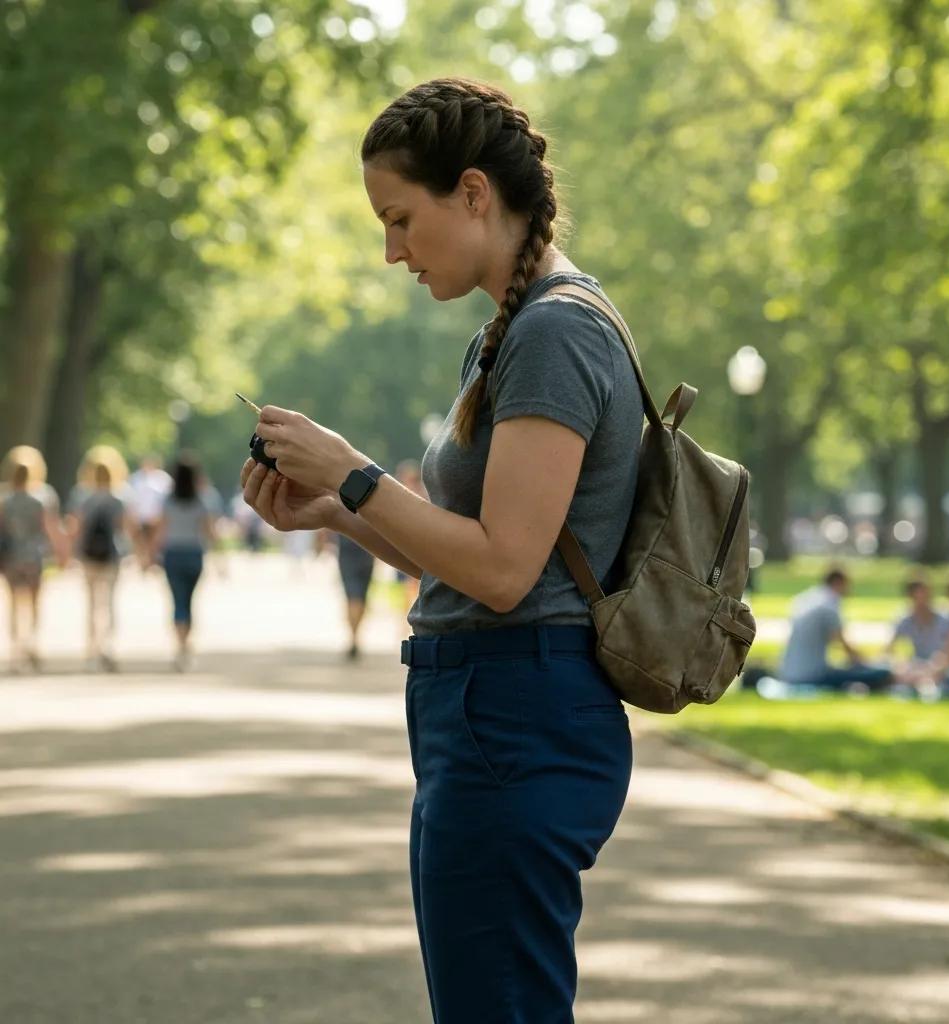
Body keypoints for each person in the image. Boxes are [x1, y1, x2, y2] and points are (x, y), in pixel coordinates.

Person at [239, 78, 641, 1021]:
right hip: (491, 707)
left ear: (472, 193)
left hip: (517, 710)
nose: (392, 252)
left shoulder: (555, 331)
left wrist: (353, 471)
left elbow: (502, 571)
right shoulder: (509, 331)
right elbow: (474, 560)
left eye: (399, 220)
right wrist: (337, 511)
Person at [66, 445, 132, 671]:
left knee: (92, 603)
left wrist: (69, 552)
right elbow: (124, 528)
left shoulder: (82, 496)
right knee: (110, 602)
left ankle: (91, 649)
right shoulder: (120, 496)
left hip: (88, 555)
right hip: (112, 555)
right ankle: (108, 646)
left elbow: (75, 527)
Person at [775, 568, 893, 693]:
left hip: (787, 672)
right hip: (811, 676)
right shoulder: (829, 604)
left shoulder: (806, 599)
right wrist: (868, 663)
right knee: (880, 674)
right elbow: (844, 646)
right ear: (838, 583)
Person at [0, 448, 66, 672]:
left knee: (13, 603)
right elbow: (51, 528)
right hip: (35, 557)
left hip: (11, 556)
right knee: (34, 602)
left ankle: (15, 648)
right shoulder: (43, 496)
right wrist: (61, 553)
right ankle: (32, 643)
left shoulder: (4, 498)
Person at [155, 454, 216, 671]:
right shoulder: (201, 501)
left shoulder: (168, 501)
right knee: (189, 601)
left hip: (173, 554)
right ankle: (185, 644)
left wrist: (151, 554)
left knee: (177, 601)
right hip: (193, 554)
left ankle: (180, 645)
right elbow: (209, 531)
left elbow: (161, 530)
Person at [393, 458, 427, 626]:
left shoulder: (421, 494)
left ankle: (408, 616)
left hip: (417, 544)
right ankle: (406, 616)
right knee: (408, 584)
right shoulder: (399, 494)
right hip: (404, 543)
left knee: (414, 582)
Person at [335, 532, 377, 660]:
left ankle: (353, 636)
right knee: (360, 597)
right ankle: (355, 636)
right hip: (367, 549)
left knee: (353, 596)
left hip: (350, 550)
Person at [127, 454, 172, 572]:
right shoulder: (135, 478)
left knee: (154, 540)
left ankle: (152, 561)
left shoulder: (163, 479)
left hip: (156, 517)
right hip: (139, 516)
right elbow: (130, 498)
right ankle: (143, 562)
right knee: (140, 540)